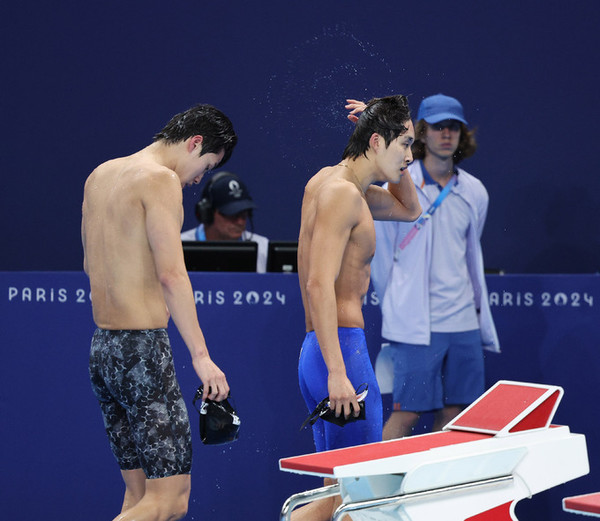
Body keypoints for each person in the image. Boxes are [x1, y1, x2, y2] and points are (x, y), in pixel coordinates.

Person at [81, 103, 237, 521]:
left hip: (104, 351)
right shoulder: (160, 180)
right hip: (141, 353)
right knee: (169, 502)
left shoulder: (100, 175)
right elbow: (172, 275)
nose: (199, 178)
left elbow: (90, 267)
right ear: (195, 142)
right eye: (206, 165)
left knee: (138, 500)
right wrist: (202, 358)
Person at [294, 94, 421, 521]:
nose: (410, 156)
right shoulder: (343, 196)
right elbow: (317, 284)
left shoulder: (336, 186)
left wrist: (385, 132)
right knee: (363, 499)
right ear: (375, 143)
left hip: (322, 353)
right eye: (404, 144)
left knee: (337, 494)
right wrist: (337, 372)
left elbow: (410, 209)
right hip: (341, 356)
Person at [348, 93, 500, 441]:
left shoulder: (475, 192)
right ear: (421, 132)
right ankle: (375, 493)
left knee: (457, 420)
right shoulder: (396, 183)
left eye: (454, 128)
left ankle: (441, 494)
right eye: (438, 127)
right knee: (405, 416)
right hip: (416, 326)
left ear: (463, 135)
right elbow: (381, 257)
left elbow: (469, 252)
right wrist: (400, 307)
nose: (446, 134)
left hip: (463, 324)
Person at [180, 171, 269, 272]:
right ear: (207, 213)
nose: (240, 222)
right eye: (232, 214)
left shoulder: (263, 249)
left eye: (244, 214)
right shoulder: (177, 247)